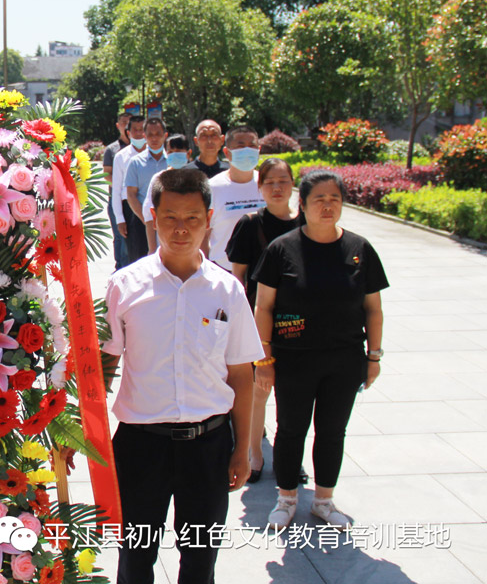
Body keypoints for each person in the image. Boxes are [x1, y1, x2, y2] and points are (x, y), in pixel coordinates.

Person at [103, 168, 262, 584]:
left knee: (200, 560)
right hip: (140, 445)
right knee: (135, 558)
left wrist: (241, 449)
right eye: (170, 216)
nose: (181, 228)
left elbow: (242, 376)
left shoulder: (227, 290)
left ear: (209, 219)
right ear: (153, 216)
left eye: (192, 217)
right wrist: (84, 437)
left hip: (207, 446)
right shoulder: (124, 286)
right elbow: (103, 366)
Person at [254, 170, 387, 530]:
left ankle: (324, 501)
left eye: (335, 200)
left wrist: (373, 356)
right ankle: (286, 498)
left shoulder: (359, 249)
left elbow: (373, 309)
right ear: (304, 204)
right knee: (290, 429)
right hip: (293, 358)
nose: (327, 206)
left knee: (332, 431)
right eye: (319, 200)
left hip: (344, 360)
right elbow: (263, 306)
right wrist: (263, 358)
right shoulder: (282, 249)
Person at [225, 157, 304, 484]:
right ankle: (255, 455)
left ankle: (291, 458)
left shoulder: (306, 223)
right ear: (259, 187)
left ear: (292, 186)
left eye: (283, 181)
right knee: (259, 390)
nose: (277, 188)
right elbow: (239, 278)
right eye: (270, 182)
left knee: (295, 395)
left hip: (300, 321)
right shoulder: (250, 224)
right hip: (261, 319)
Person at [205, 126, 265, 270]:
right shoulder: (212, 188)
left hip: (262, 272)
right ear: (227, 152)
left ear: (259, 150)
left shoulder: (267, 184)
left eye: (252, 146)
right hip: (222, 270)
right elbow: (203, 233)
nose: (247, 150)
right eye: (241, 146)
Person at [115, 117, 167, 265]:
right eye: (150, 134)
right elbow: (130, 195)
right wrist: (148, 221)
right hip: (141, 221)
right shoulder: (135, 163)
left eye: (158, 133)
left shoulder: (172, 161)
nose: (154, 138)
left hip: (169, 222)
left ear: (165, 135)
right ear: (145, 136)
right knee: (140, 263)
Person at [103, 113, 145, 269]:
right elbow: (114, 185)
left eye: (142, 129)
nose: (139, 133)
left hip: (149, 206)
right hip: (127, 205)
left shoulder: (155, 154)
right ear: (128, 131)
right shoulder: (118, 154)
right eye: (135, 129)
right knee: (127, 246)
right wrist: (120, 217)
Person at [140, 133, 193, 252]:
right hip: (165, 244)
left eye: (179, 151)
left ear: (188, 153)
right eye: (171, 151)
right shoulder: (159, 179)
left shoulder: (196, 179)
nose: (174, 154)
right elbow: (149, 216)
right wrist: (152, 249)